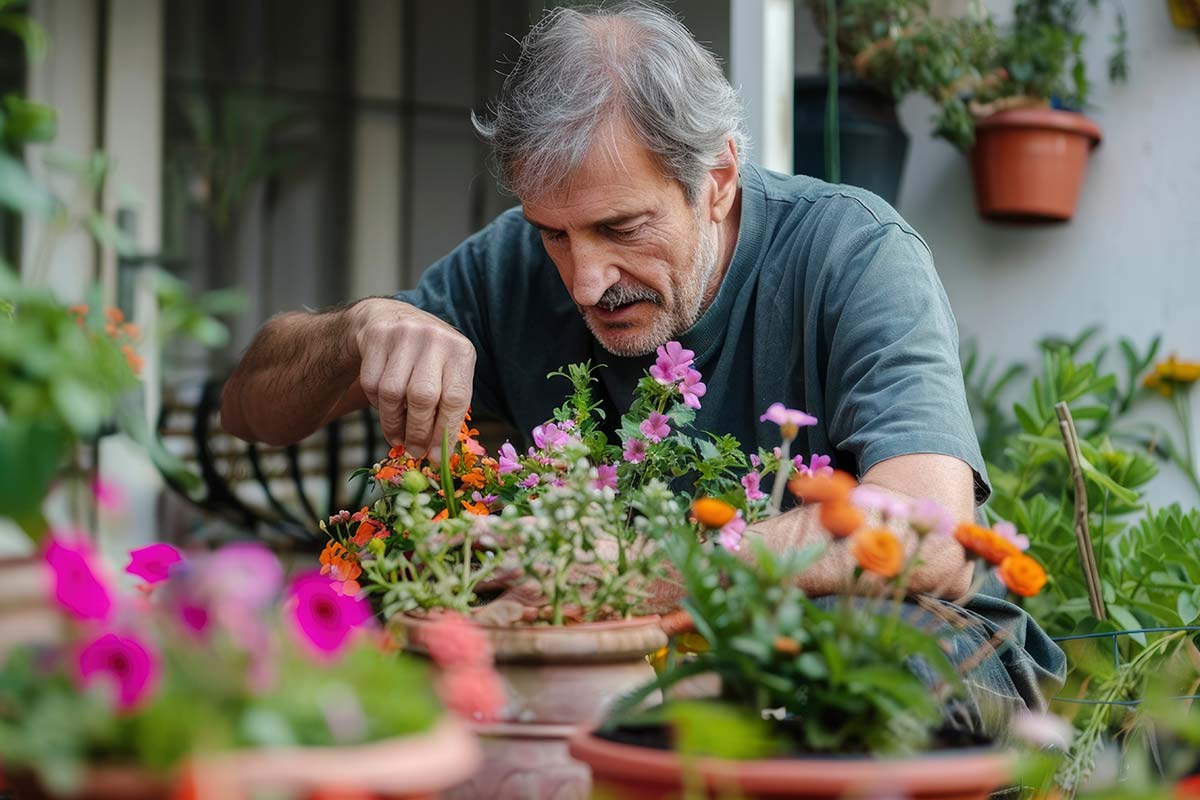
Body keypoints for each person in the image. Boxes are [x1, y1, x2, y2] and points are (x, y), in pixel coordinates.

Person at [222, 2, 1063, 729]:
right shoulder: (507, 267)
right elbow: (251, 409)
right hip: (628, 664)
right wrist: (361, 329)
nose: (584, 280)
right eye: (554, 233)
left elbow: (926, 531)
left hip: (885, 654)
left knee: (784, 690)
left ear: (719, 179)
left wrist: (635, 580)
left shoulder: (853, 253)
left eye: (622, 229)